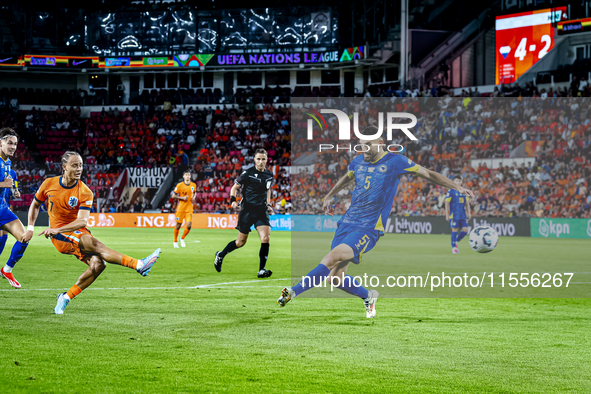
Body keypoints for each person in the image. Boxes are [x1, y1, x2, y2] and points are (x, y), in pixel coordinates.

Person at [277, 130, 475, 318]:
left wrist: (457, 187)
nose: (364, 150)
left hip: (368, 227)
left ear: (381, 143)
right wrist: (329, 195)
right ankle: (368, 295)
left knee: (332, 257)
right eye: (361, 146)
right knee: (335, 278)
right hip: (346, 223)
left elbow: (429, 174)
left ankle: (293, 292)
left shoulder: (395, 160)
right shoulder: (357, 162)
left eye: (368, 145)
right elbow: (346, 178)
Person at [23, 151, 161, 314]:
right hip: (60, 236)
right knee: (94, 244)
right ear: (64, 167)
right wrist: (30, 228)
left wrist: (57, 229)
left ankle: (65, 297)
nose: (79, 169)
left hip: (72, 230)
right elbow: (35, 204)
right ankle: (138, 265)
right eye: (75, 165)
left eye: (81, 165)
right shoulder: (49, 184)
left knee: (98, 264)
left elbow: (82, 221)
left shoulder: (85, 191)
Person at [214, 149, 274, 278]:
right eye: (258, 159)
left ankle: (261, 270)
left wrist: (268, 205)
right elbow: (234, 188)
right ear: (254, 159)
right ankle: (221, 254)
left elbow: (267, 190)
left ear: (267, 160)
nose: (261, 161)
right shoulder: (248, 173)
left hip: (261, 211)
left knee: (265, 238)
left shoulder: (269, 175)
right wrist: (233, 201)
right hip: (247, 211)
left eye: (263, 159)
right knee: (240, 242)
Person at [0, 128, 31, 289]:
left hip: (3, 210)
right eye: (9, 143)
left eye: (15, 144)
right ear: (0, 143)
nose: (13, 146)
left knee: (25, 237)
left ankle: (7, 269)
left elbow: (11, 182)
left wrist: (13, 189)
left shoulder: (8, 163)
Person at [445, 175, 471, 254]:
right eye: (455, 180)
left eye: (458, 181)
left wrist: (468, 212)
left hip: (462, 214)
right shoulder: (451, 191)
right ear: (453, 181)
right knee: (455, 230)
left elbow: (467, 203)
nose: (457, 182)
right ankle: (454, 248)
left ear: (461, 182)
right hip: (454, 214)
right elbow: (447, 202)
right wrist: (447, 213)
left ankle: (455, 241)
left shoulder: (464, 191)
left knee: (466, 230)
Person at [171, 170, 196, 248]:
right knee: (178, 225)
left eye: (189, 175)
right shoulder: (179, 185)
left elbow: (194, 193)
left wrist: (194, 198)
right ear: (183, 176)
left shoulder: (193, 185)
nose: (188, 176)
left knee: (189, 225)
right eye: (186, 175)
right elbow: (173, 196)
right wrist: (182, 197)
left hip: (189, 208)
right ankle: (175, 241)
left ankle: (182, 239)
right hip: (181, 208)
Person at [0, 168, 20, 255]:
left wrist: (16, 192)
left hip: (6, 206)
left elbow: (15, 188)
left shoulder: (13, 173)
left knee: (4, 237)